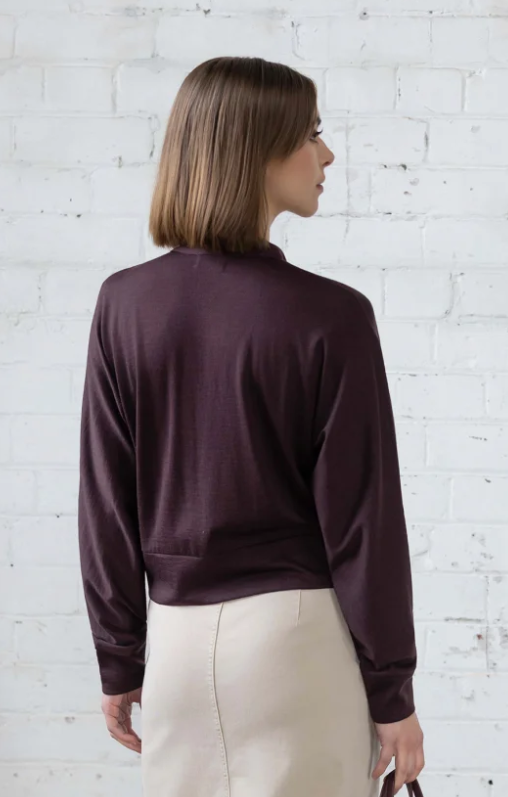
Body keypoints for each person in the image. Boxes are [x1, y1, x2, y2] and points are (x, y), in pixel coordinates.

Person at [77, 56, 425, 797]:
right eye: (311, 134)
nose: (327, 154)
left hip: (174, 644)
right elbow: (363, 521)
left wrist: (119, 656)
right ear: (256, 150)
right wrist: (393, 692)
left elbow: (107, 504)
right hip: (296, 645)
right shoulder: (331, 315)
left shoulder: (123, 305)